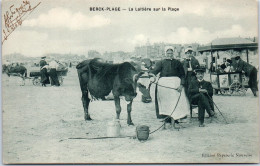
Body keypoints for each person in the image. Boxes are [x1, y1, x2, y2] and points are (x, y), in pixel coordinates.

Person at [150, 48, 189, 129]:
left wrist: (181, 85)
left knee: (175, 103)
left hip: (175, 84)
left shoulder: (178, 62)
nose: (169, 55)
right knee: (165, 103)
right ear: (165, 53)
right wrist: (151, 77)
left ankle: (175, 121)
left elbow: (182, 75)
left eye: (171, 53)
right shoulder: (161, 62)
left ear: (173, 53)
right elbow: (154, 72)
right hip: (164, 85)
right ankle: (166, 121)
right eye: (168, 53)